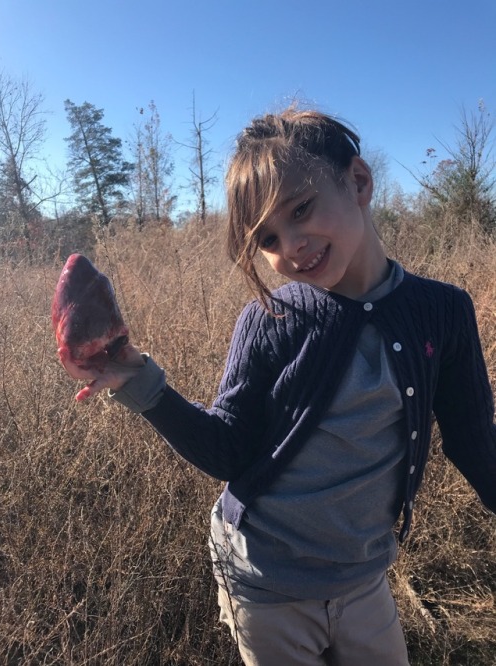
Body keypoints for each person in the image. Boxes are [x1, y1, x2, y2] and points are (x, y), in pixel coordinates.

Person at [58, 108, 496, 666]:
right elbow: (229, 448)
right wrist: (141, 384)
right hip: (264, 580)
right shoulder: (271, 319)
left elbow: (475, 445)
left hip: (363, 577)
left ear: (358, 181)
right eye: (266, 237)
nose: (290, 246)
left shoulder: (443, 312)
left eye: (302, 209)